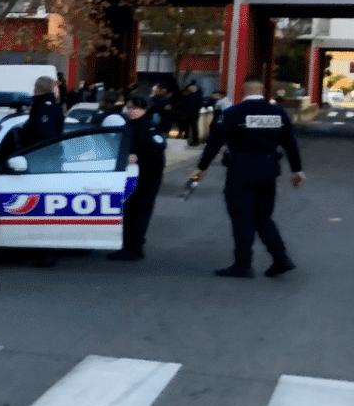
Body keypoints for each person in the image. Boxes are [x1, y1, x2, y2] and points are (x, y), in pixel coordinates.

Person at [191, 78, 301, 278]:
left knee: (242, 216)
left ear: (242, 92)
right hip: (268, 169)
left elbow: (214, 143)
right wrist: (297, 170)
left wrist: (202, 167)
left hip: (241, 169)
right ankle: (281, 258)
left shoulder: (233, 113)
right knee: (263, 217)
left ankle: (243, 264)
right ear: (263, 91)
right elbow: (290, 143)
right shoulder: (278, 113)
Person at [109, 96, 167, 261]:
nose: (130, 111)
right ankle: (129, 244)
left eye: (134, 108)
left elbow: (158, 147)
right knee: (129, 211)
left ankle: (134, 248)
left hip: (147, 175)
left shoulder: (149, 127)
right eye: (128, 107)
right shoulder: (127, 126)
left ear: (143, 109)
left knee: (139, 211)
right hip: (129, 175)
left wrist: (139, 157)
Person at [27, 76, 66, 146]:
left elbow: (42, 136)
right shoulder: (56, 107)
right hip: (55, 152)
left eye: (35, 87)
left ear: (37, 89)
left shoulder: (39, 107)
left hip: (38, 154)